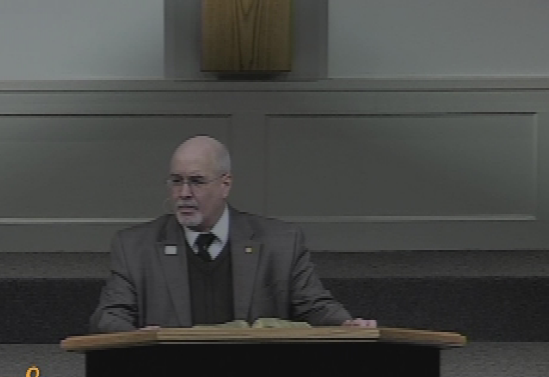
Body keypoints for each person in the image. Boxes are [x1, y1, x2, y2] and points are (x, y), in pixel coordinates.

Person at [90, 135, 376, 332]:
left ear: (225, 185)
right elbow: (108, 315)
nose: (184, 193)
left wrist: (345, 324)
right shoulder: (135, 246)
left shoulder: (280, 242)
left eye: (196, 181)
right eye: (176, 181)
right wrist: (135, 337)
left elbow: (313, 305)